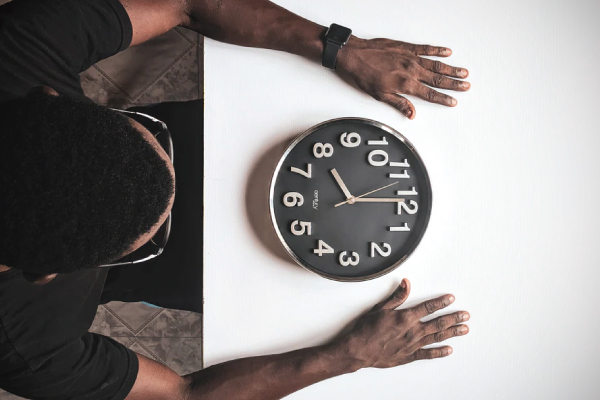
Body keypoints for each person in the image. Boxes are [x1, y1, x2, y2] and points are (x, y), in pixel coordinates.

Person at [0, 0, 471, 399]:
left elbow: (187, 2)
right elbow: (183, 394)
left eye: (151, 139)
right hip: (195, 273)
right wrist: (344, 358)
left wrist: (337, 47)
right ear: (45, 273)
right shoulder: (19, 345)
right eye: (148, 234)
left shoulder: (14, 45)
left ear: (46, 95)